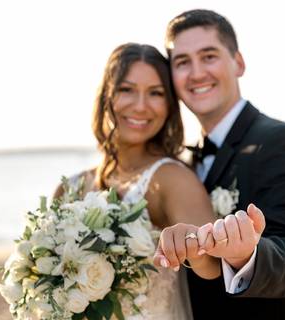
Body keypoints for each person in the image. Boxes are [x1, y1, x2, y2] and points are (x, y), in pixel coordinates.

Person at [153, 9, 285, 320]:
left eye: (209, 56)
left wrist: (247, 254)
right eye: (182, 62)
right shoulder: (182, 164)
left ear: (239, 63)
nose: (196, 73)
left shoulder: (283, 142)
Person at [54, 43, 220, 319]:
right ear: (107, 95)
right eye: (126, 90)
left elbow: (214, 264)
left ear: (169, 105)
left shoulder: (172, 179)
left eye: (155, 93)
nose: (140, 106)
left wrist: (195, 248)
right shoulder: (70, 187)